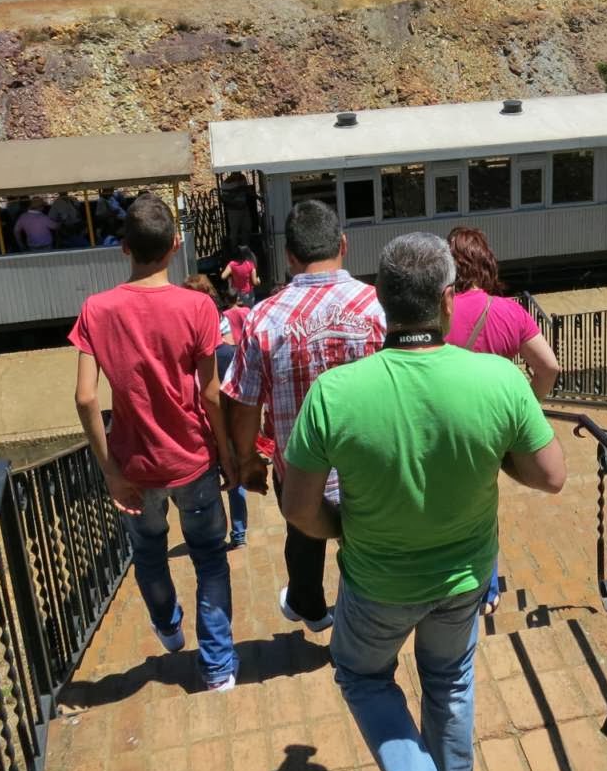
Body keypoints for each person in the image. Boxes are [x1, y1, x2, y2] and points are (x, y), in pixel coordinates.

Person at [283, 233, 566, 771]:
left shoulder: (334, 393)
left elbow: (299, 509)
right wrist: (496, 458)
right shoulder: (499, 379)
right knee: (450, 679)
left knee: (362, 675)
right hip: (464, 579)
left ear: (381, 299)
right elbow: (551, 476)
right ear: (447, 298)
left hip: (376, 582)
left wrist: (341, 527)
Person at [70, 195, 238, 691]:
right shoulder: (198, 305)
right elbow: (210, 394)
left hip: (135, 466)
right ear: (176, 245)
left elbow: (85, 397)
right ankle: (218, 667)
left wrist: (110, 472)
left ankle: (168, 627)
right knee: (210, 558)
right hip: (193, 459)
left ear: (124, 247)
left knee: (148, 552)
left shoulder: (96, 309)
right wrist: (227, 454)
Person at [222, 200, 385, 634]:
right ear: (343, 244)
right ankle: (364, 622)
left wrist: (247, 460)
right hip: (370, 465)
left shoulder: (263, 318)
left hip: (298, 470)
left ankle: (310, 607)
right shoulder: (379, 307)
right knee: (366, 542)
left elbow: (245, 402)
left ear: (290, 255)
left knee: (303, 535)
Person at [444, 226, 562, 615]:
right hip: (492, 429)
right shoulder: (510, 312)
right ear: (487, 263)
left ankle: (445, 578)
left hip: (444, 423)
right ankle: (487, 587)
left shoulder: (439, 311)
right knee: (484, 497)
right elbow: (548, 367)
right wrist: (529, 406)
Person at [185, 273, 250, 548]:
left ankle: (216, 532)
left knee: (207, 481)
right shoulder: (228, 353)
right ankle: (239, 532)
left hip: (200, 425)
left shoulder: (186, 357)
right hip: (230, 423)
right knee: (235, 480)